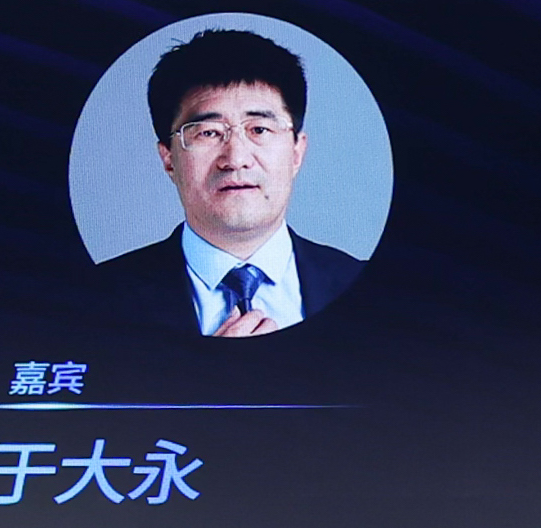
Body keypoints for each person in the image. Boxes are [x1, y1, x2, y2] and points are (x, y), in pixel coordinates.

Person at [93, 27, 368, 336]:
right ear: (168, 158)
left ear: (296, 152)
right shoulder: (93, 299)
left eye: (259, 130)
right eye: (208, 132)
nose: (236, 159)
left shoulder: (368, 288)